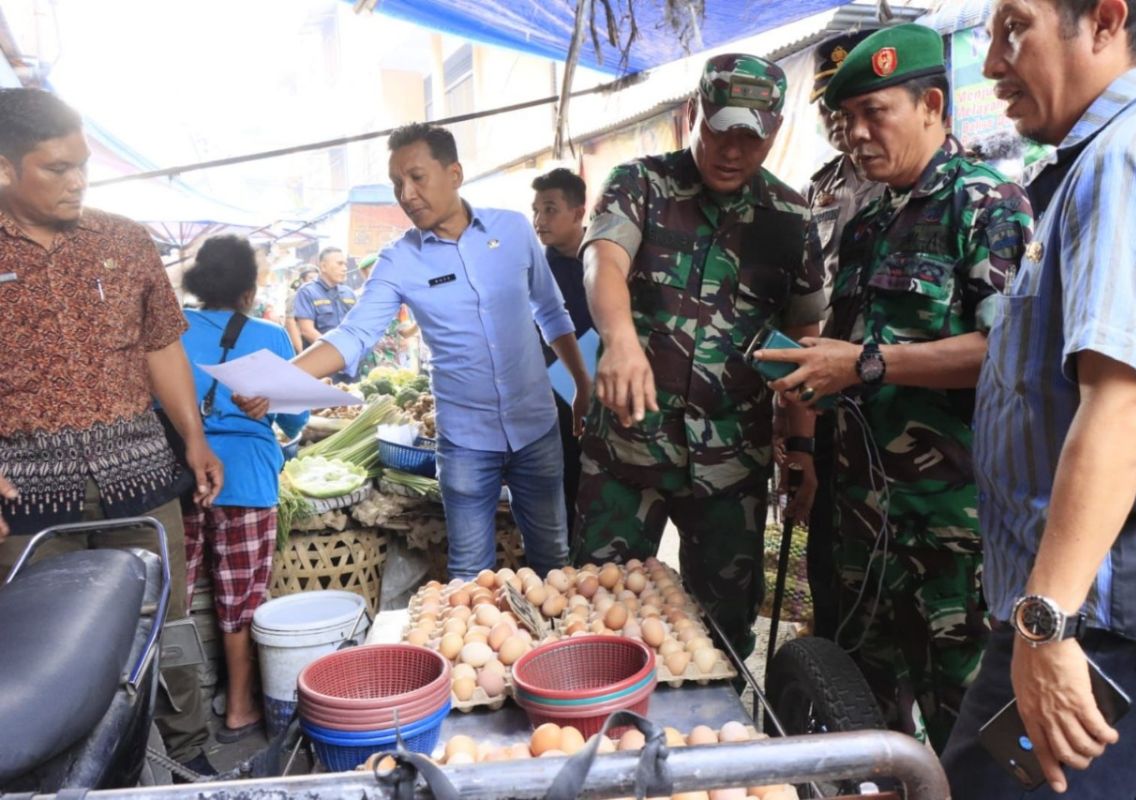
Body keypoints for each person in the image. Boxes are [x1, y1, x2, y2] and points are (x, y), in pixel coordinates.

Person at [940, 0, 1136, 795]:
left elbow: (1123, 405)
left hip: (1100, 625)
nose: (990, 65)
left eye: (1014, 27)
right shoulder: (1107, 162)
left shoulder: (1130, 162)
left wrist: (1045, 626)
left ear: (1105, 21)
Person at [756, 24, 1034, 749]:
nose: (856, 135)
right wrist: (812, 379)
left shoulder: (987, 204)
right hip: (862, 523)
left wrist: (865, 363)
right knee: (867, 716)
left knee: (965, 725)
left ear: (933, 105)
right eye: (846, 120)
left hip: (949, 528)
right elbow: (849, 356)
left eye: (875, 114)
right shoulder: (865, 223)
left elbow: (1004, 350)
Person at [239, 123, 589, 580]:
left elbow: (551, 311)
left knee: (554, 562)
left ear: (455, 173)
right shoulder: (398, 259)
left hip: (536, 428)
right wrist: (275, 380)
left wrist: (582, 384)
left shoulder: (513, 229)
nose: (406, 194)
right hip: (465, 441)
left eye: (417, 177)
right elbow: (352, 336)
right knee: (469, 575)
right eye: (396, 183)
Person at [573, 54, 826, 660]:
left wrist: (805, 446)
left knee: (723, 632)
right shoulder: (641, 184)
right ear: (695, 115)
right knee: (598, 614)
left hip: (731, 468)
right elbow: (602, 259)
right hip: (627, 456)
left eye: (751, 136)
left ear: (774, 131)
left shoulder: (791, 219)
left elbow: (803, 340)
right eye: (720, 131)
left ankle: (717, 743)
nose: (733, 151)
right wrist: (620, 339)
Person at [0, 88, 222, 775]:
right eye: (55, 168)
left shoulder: (124, 240)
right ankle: (65, 777)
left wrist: (194, 436)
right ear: (5, 168)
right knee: (45, 654)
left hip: (139, 476)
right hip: (26, 497)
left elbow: (161, 346)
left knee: (166, 627)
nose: (77, 182)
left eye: (82, 166)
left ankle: (189, 765)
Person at [179, 235, 308, 744]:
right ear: (249, 292)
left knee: (175, 599)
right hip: (248, 480)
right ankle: (238, 707)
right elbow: (295, 416)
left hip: (180, 475)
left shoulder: (172, 335)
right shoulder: (271, 336)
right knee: (242, 597)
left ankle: (174, 717)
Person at [791, 29, 885, 643]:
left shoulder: (950, 192)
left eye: (856, 108)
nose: (840, 125)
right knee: (829, 569)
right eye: (831, 110)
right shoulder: (818, 189)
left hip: (903, 429)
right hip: (827, 414)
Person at [531, 167, 594, 540]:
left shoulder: (610, 258)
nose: (539, 220)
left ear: (579, 212)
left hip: (610, 391)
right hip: (555, 399)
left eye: (550, 209)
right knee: (567, 483)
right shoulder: (534, 269)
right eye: (536, 210)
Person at [293, 246, 356, 381]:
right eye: (339, 264)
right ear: (323, 266)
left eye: (345, 264)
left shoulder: (349, 293)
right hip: (322, 366)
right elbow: (307, 330)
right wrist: (335, 354)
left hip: (349, 365)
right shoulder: (308, 292)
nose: (344, 268)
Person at [284, 265, 318, 354]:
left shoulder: (317, 296)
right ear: (302, 280)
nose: (313, 281)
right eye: (310, 278)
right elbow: (290, 323)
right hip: (301, 346)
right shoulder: (296, 297)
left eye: (316, 278)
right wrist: (300, 351)